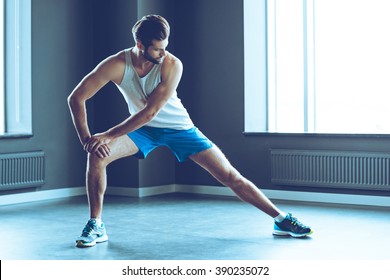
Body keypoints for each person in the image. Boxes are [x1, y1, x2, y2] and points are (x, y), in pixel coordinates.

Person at [68, 14, 312, 248]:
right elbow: (76, 98)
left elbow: (150, 112)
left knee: (229, 175)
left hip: (179, 129)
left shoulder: (172, 64)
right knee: (97, 154)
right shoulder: (116, 64)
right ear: (139, 45)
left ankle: (281, 219)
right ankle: (96, 224)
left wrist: (108, 134)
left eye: (165, 47)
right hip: (142, 130)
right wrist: (87, 140)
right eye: (157, 49)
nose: (163, 53)